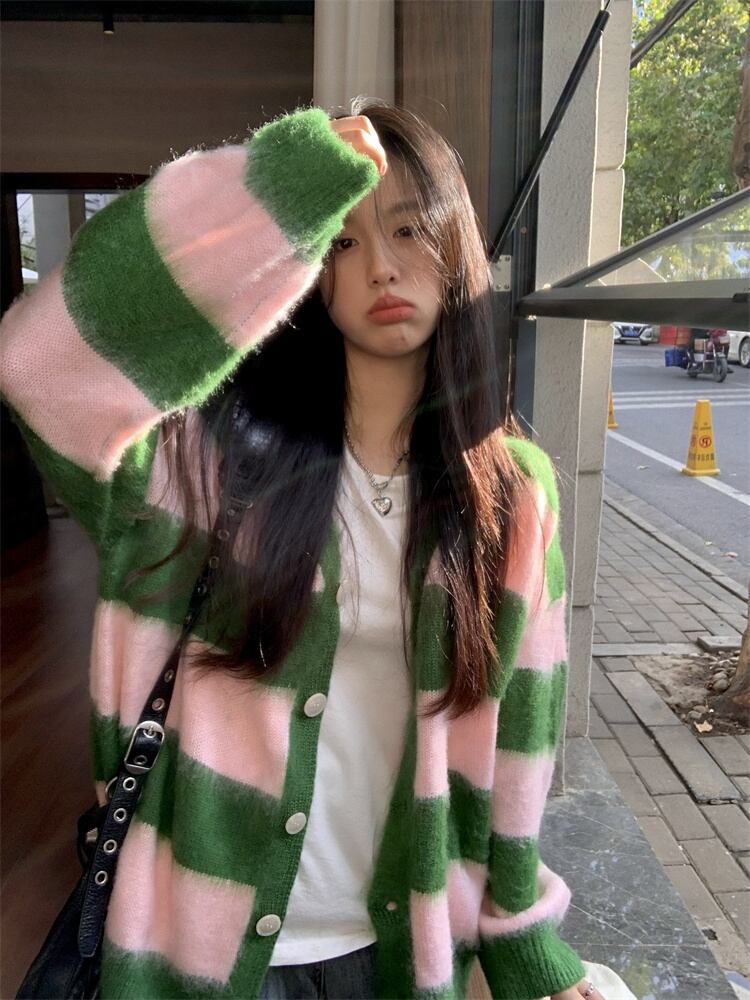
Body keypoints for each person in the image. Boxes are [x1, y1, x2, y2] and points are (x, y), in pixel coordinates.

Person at [0, 99, 618, 1000]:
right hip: (203, 958)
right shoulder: (201, 469)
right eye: (341, 241)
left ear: (456, 251)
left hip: (401, 953)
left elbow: (522, 738)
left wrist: (523, 944)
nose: (382, 267)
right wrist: (278, 188)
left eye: (410, 230)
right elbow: (42, 362)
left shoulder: (511, 494)